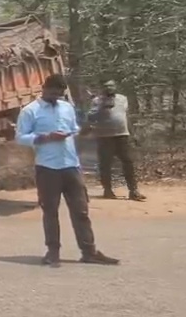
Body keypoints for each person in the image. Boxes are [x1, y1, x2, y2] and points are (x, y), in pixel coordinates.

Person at [16, 74, 120, 266]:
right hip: (48, 167)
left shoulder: (67, 107)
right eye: (54, 93)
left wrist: (80, 132)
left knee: (81, 211)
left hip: (71, 166)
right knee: (50, 211)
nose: (57, 97)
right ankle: (52, 252)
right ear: (44, 89)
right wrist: (45, 137)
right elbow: (21, 137)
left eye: (60, 94)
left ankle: (89, 251)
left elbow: (74, 130)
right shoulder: (31, 111)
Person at [87, 79, 146, 201]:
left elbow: (126, 116)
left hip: (122, 135)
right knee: (105, 164)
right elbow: (91, 117)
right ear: (103, 88)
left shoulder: (123, 99)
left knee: (128, 162)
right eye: (106, 86)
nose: (109, 88)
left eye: (111, 86)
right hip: (104, 137)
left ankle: (133, 190)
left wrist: (133, 133)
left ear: (115, 87)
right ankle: (107, 190)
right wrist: (102, 108)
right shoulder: (97, 101)